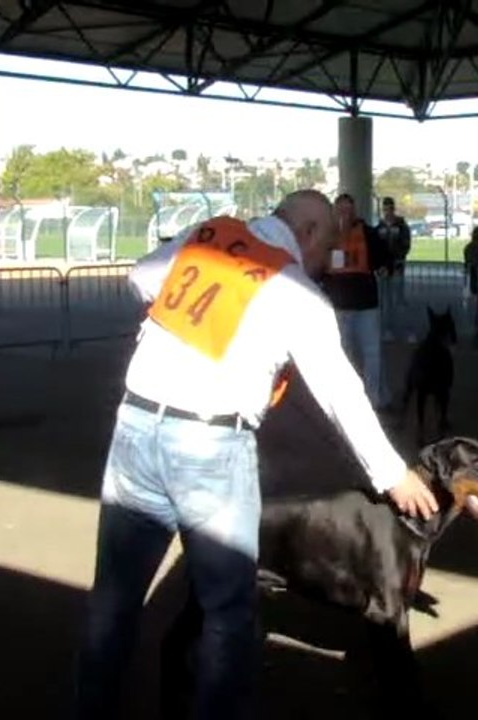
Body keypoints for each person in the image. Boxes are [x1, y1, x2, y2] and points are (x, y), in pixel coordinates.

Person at [73, 190, 438, 719]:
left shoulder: (211, 234)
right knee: (229, 611)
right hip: (211, 444)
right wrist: (392, 474)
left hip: (135, 428)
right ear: (310, 233)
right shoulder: (294, 288)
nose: (322, 267)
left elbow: (141, 277)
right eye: (325, 251)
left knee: (114, 598)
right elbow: (341, 392)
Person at [320, 193, 393, 410]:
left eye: (348, 210)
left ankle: (374, 399)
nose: (345, 214)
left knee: (372, 353)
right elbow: (317, 265)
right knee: (343, 354)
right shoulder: (326, 237)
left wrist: (385, 268)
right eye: (340, 210)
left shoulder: (368, 234)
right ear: (334, 211)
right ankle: (344, 400)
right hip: (338, 306)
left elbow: (385, 257)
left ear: (355, 211)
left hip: (366, 304)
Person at [375, 196, 412, 339]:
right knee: (385, 301)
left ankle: (406, 329)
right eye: (385, 209)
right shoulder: (379, 227)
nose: (388, 211)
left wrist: (399, 258)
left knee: (399, 299)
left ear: (393, 209)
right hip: (384, 269)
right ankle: (387, 329)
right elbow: (376, 247)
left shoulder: (401, 225)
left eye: (390, 208)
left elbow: (406, 244)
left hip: (397, 267)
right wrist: (379, 264)